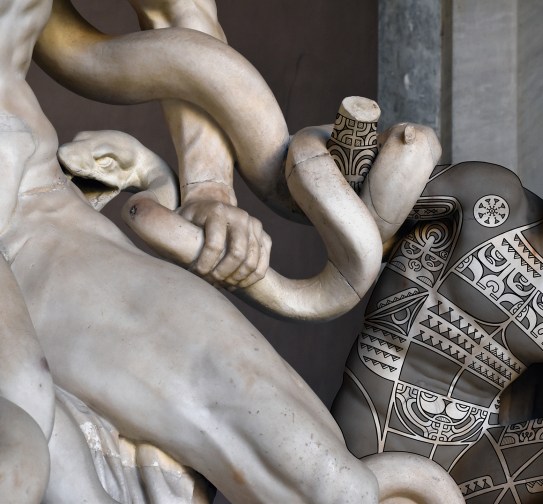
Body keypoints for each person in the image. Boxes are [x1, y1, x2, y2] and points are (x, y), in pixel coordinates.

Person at [0, 1, 440, 502]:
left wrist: (208, 188)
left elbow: (174, 16)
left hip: (34, 218)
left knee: (328, 483)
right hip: (22, 225)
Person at [332, 108, 543, 503]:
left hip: (470, 464)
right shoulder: (492, 197)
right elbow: (359, 201)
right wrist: (360, 132)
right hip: (371, 419)